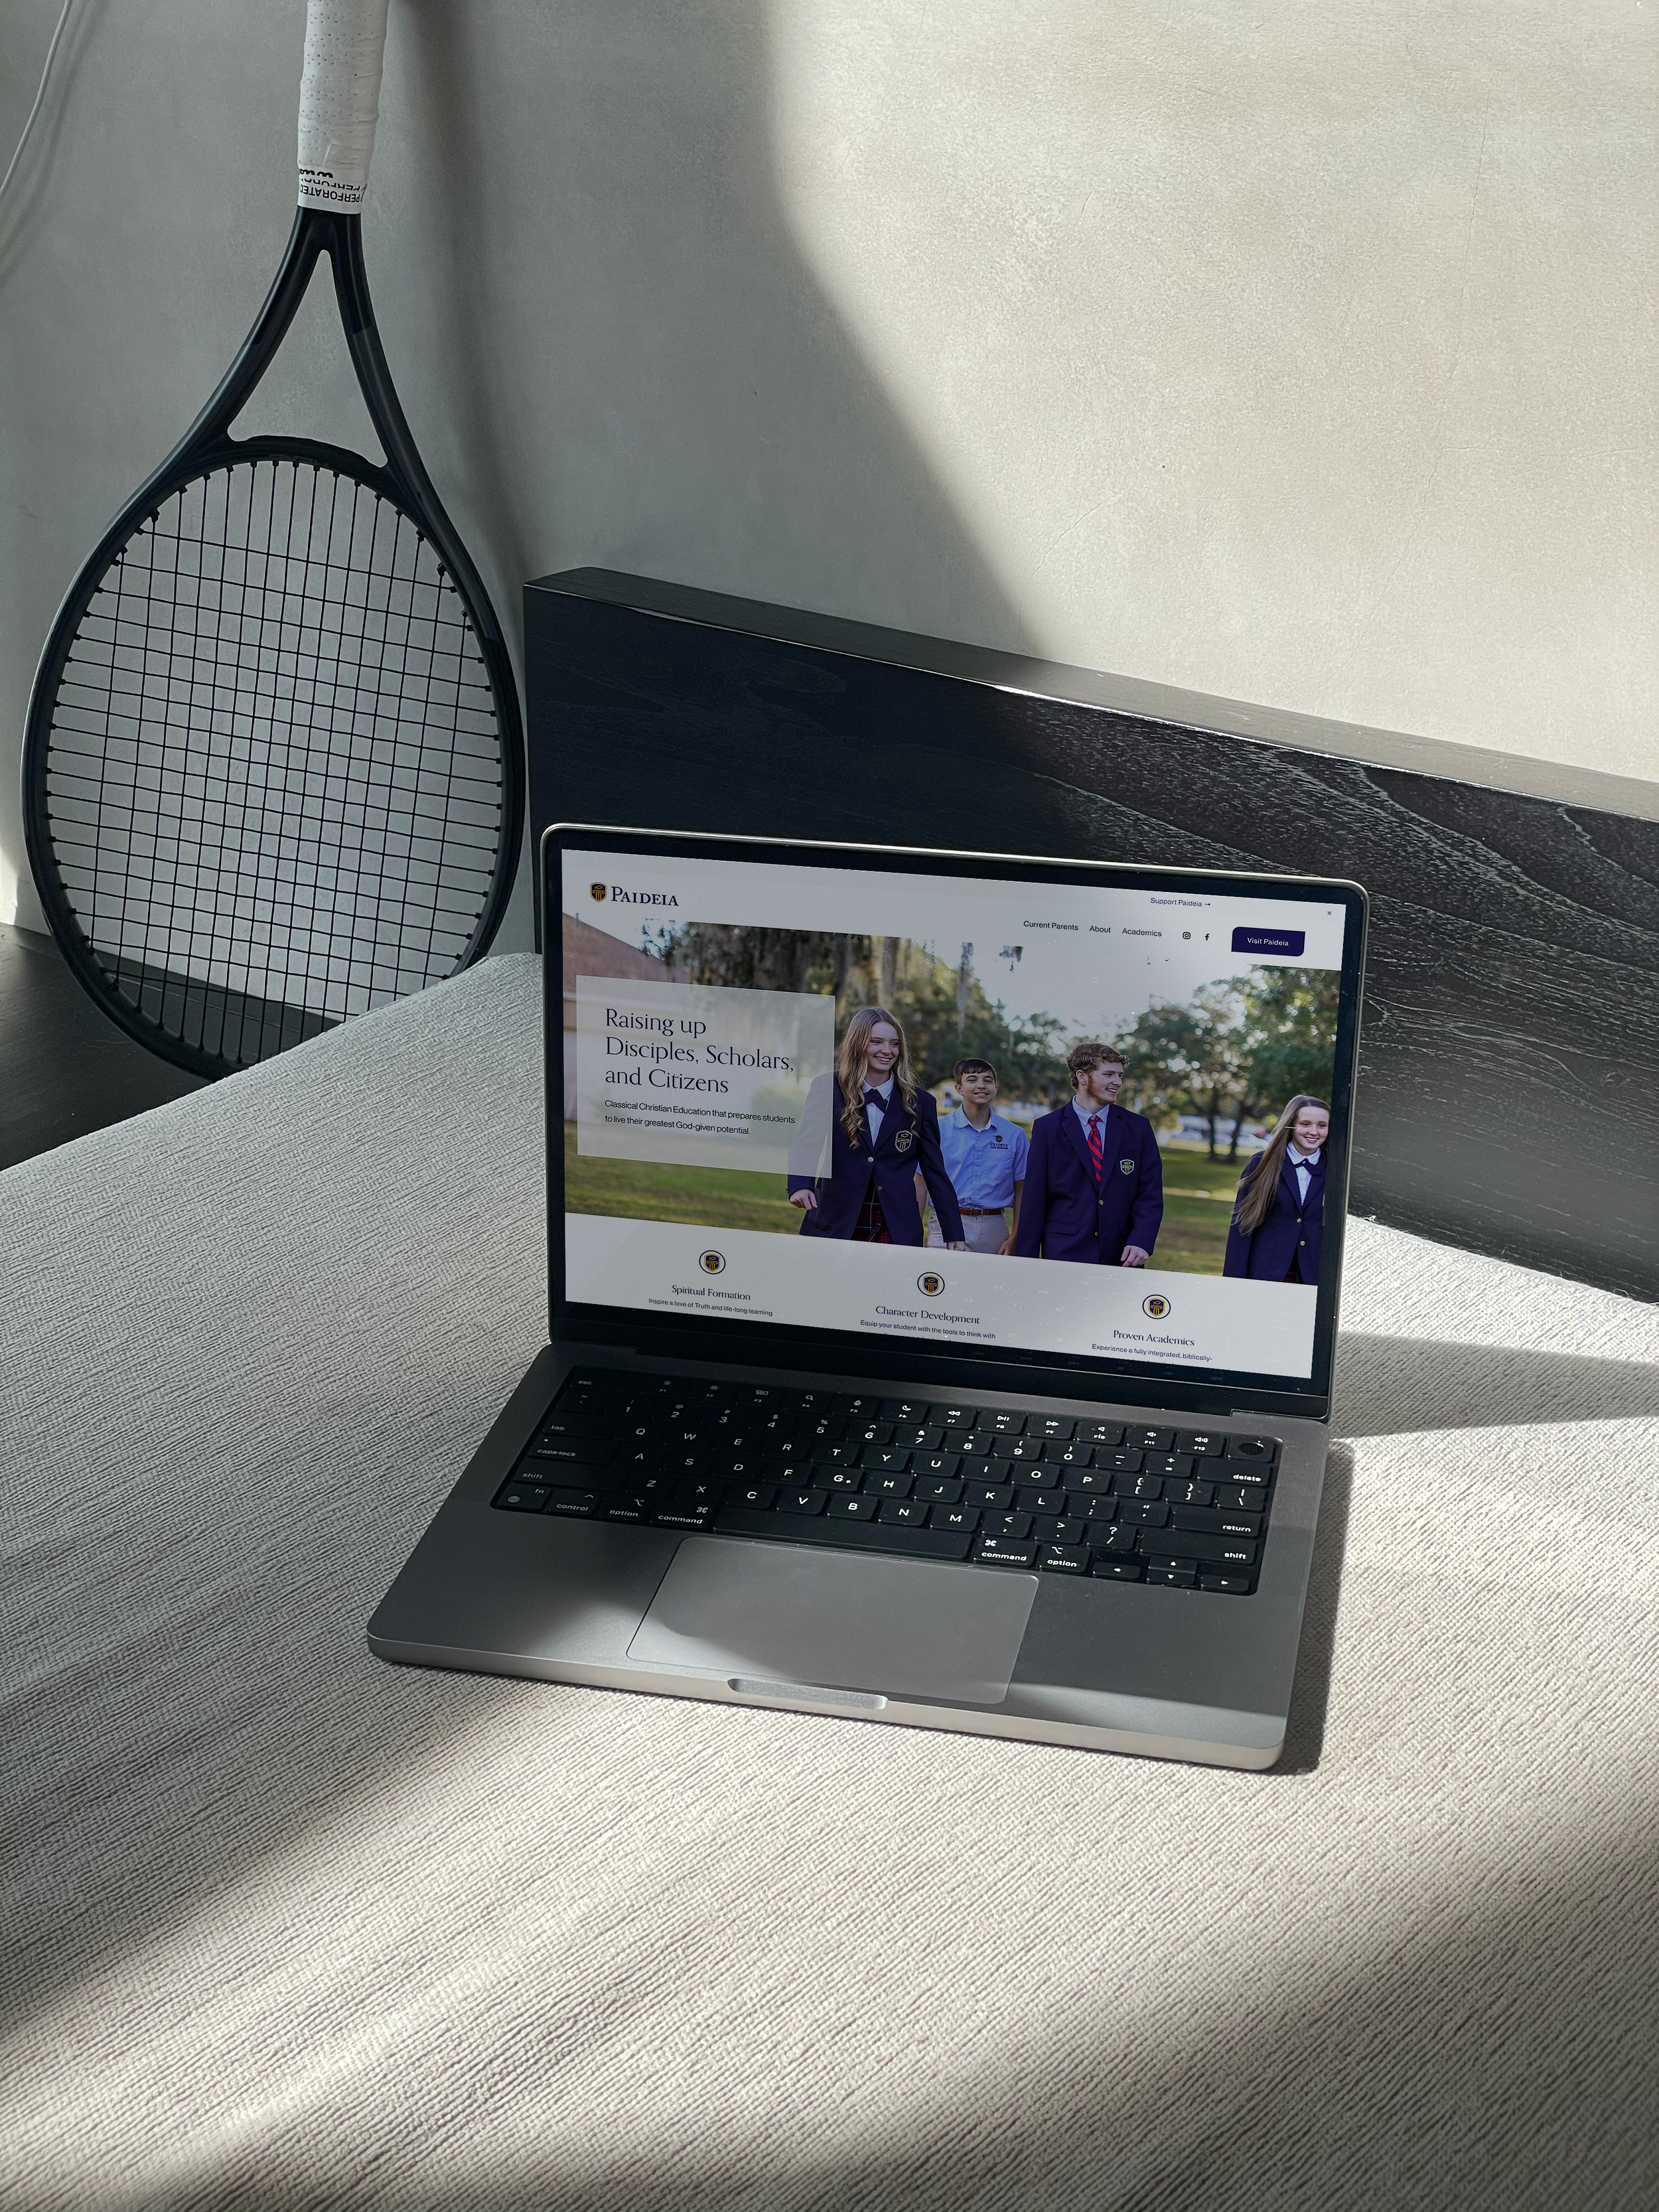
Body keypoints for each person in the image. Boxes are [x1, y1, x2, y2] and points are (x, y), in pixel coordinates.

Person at [786, 1007, 966, 1248]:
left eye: (894, 1044)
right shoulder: (828, 1087)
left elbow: (935, 1170)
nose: (887, 1050)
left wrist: (953, 1232)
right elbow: (807, 1144)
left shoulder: (921, 1102)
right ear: (857, 1044)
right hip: (836, 1216)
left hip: (895, 1222)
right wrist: (800, 1185)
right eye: (876, 1042)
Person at [1013, 1041, 1163, 1266]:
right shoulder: (1048, 1128)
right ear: (1082, 1077)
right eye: (1109, 1074)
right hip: (1064, 1252)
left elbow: (1150, 1192)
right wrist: (1026, 1262)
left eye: (1120, 1075)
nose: (1118, 1082)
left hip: (1122, 1255)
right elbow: (1035, 1199)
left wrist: (1141, 1240)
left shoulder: (1138, 1127)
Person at [924, 1057, 1028, 1253]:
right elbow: (919, 1184)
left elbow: (1023, 1190)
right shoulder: (938, 1130)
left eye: (987, 1080)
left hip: (995, 1227)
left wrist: (1015, 1237)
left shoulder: (1015, 1135)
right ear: (959, 1088)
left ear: (995, 1088)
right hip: (946, 1222)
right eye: (972, 1080)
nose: (981, 1085)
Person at [1223, 1094, 1331, 1284]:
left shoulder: (1337, 1170)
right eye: (1305, 1124)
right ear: (1291, 1125)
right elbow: (1243, 1226)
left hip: (1316, 1277)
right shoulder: (1262, 1163)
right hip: (1266, 1275)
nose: (1314, 1132)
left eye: (1322, 1125)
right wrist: (1233, 1283)